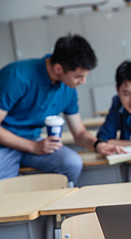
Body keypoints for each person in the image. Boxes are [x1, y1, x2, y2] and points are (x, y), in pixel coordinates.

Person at [0, 34, 120, 185]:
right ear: (58, 68)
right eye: (79, 76)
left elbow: (79, 133)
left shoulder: (68, 88)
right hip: (5, 145)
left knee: (72, 163)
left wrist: (97, 145)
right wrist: (33, 146)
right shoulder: (16, 76)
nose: (83, 82)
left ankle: (54, 207)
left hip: (34, 141)